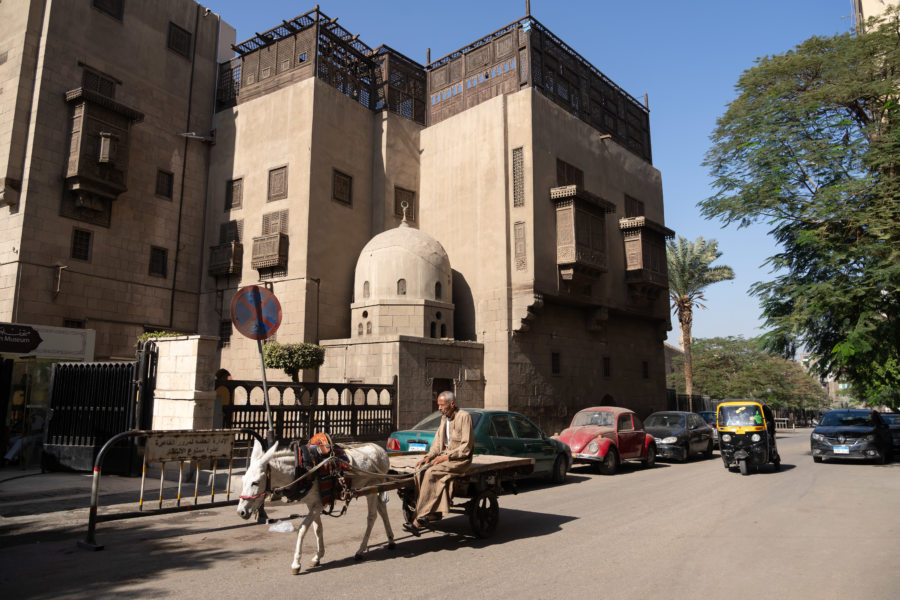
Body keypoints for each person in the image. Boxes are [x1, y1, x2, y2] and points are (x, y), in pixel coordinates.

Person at [403, 391, 473, 536]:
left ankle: (420, 517)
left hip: (460, 460)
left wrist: (446, 457)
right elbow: (437, 442)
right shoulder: (443, 419)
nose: (439, 408)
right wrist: (428, 457)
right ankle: (434, 513)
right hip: (444, 457)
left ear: (452, 404)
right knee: (420, 470)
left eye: (442, 405)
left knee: (431, 473)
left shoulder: (464, 417)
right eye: (438, 405)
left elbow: (466, 446)